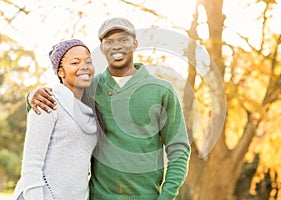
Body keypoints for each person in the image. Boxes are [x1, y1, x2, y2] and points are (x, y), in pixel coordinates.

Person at [27, 17, 190, 200]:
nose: (116, 46)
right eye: (109, 41)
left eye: (124, 40)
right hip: (99, 196)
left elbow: (179, 150)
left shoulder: (162, 90)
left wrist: (166, 196)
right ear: (102, 48)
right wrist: (31, 96)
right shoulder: (89, 88)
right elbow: (56, 102)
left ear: (135, 44)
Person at [13, 39, 101, 200]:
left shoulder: (90, 110)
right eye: (75, 62)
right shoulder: (48, 102)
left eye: (88, 61)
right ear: (61, 72)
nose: (84, 67)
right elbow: (31, 165)